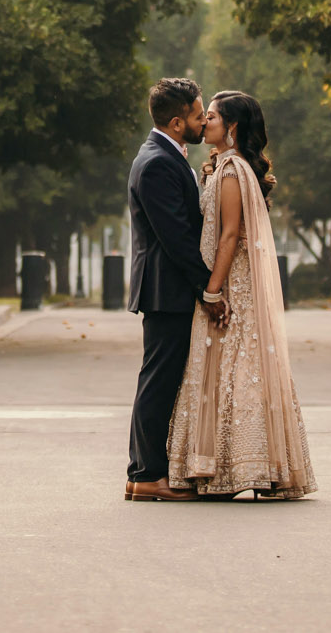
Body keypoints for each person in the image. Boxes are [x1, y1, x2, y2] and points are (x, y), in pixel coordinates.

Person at [165, 89, 317, 500]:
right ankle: (231, 466)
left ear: (231, 127)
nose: (205, 122)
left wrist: (212, 292)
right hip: (226, 281)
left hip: (232, 285)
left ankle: (245, 466)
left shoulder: (232, 173)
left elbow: (230, 235)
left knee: (238, 369)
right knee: (232, 369)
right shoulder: (222, 168)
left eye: (211, 116)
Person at [123, 77, 225, 501]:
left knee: (159, 378)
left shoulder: (167, 155)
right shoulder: (158, 162)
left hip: (167, 288)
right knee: (158, 381)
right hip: (166, 290)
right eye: (200, 115)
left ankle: (142, 474)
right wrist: (208, 289)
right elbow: (177, 237)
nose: (205, 122)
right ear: (179, 122)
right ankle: (147, 475)